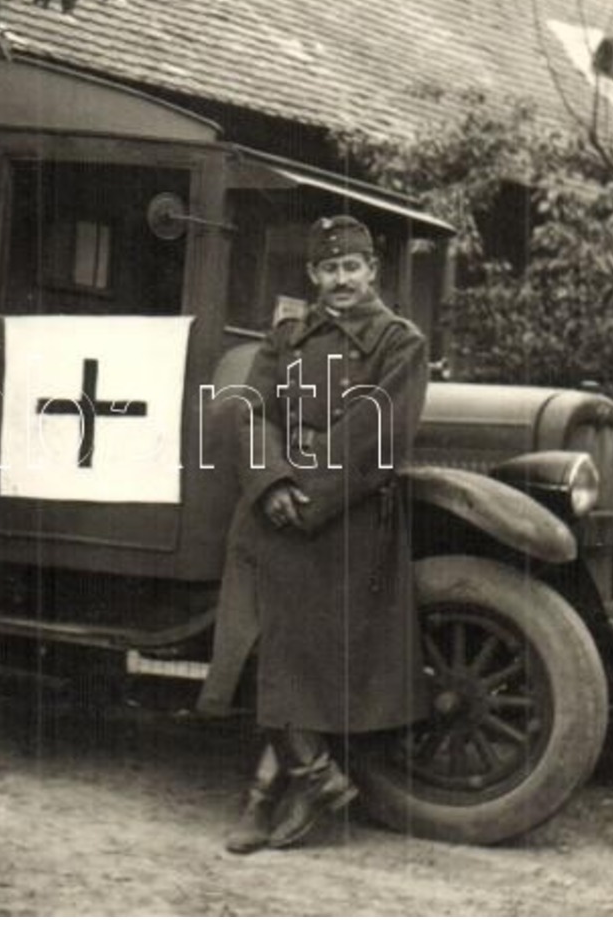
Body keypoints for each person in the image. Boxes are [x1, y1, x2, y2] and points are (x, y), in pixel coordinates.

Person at [197, 214, 429, 853]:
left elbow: (376, 433)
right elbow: (252, 409)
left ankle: (277, 790)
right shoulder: (289, 335)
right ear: (313, 275)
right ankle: (312, 777)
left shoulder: (400, 342)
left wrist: (311, 499)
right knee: (257, 640)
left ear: (372, 271)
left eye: (352, 267)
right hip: (274, 507)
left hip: (346, 517)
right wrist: (271, 483)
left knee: (307, 655)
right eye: (329, 269)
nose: (341, 280)